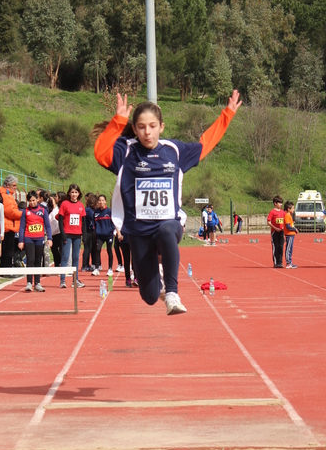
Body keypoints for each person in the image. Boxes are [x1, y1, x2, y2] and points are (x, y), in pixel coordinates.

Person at [93, 90, 241, 314]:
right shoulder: (126, 151)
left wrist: (227, 114)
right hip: (138, 231)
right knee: (150, 296)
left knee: (166, 228)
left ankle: (172, 292)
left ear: (161, 126)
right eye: (141, 127)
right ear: (134, 129)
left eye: (152, 126)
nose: (147, 132)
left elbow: (205, 143)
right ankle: (160, 290)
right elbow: (100, 152)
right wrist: (118, 121)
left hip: (168, 225)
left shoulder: (174, 151)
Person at [18, 190, 52, 292]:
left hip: (39, 238)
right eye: (30, 201)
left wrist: (50, 238)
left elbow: (48, 226)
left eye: (34, 200)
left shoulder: (43, 210)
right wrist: (21, 240)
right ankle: (29, 282)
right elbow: (22, 227)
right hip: (28, 238)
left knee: (38, 260)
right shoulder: (25, 211)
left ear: (37, 199)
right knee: (30, 259)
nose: (32, 202)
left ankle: (37, 283)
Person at [58, 183, 86, 289]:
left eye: (76, 192)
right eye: (72, 192)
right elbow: (60, 221)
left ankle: (75, 280)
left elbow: (83, 222)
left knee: (75, 257)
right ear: (69, 193)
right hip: (67, 234)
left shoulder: (81, 205)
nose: (74, 194)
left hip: (77, 235)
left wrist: (84, 235)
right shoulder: (64, 204)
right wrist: (63, 234)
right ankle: (62, 280)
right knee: (65, 257)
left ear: (78, 194)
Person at [0, 175, 22, 269]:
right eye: (14, 185)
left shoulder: (8, 196)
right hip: (8, 226)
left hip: (9, 225)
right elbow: (10, 212)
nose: (15, 187)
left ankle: (6, 267)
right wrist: (22, 214)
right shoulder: (6, 196)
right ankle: (6, 269)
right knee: (8, 249)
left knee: (8, 249)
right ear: (8, 185)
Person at [93, 194, 114, 276]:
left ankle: (110, 269)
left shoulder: (109, 211)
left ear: (105, 201)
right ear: (98, 202)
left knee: (109, 250)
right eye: (99, 200)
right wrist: (96, 231)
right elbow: (94, 223)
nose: (101, 202)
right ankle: (97, 268)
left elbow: (113, 223)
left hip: (109, 235)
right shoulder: (96, 212)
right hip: (99, 235)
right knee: (97, 250)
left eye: (102, 200)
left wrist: (110, 230)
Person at [81, 193, 98, 272]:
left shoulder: (92, 210)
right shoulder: (88, 210)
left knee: (92, 248)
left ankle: (89, 264)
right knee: (87, 248)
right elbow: (93, 218)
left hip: (92, 231)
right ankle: (84, 265)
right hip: (88, 231)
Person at [267, 196, 285, 268]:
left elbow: (285, 221)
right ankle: (276, 262)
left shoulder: (283, 212)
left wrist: (283, 227)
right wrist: (275, 228)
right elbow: (268, 222)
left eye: (281, 203)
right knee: (276, 247)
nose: (281, 204)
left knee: (281, 247)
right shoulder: (272, 212)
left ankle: (280, 262)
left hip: (281, 232)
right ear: (275, 203)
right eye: (279, 203)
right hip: (275, 232)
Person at [283, 201, 299, 269]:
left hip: (292, 235)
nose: (293, 210)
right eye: (292, 208)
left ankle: (290, 262)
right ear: (288, 209)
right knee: (288, 249)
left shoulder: (290, 216)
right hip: (289, 235)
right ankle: (288, 262)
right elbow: (288, 226)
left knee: (291, 249)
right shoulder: (287, 216)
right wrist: (294, 229)